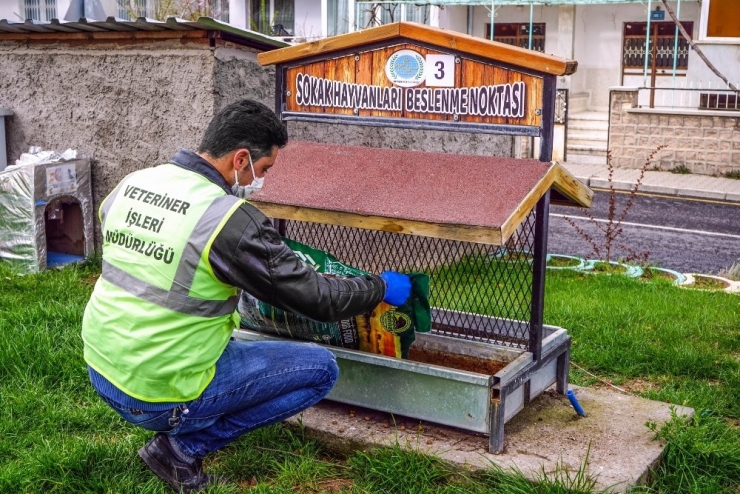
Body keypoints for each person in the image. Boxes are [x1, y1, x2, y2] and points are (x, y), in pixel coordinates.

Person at [81, 99, 411, 493]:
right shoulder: (226, 219)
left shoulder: (133, 183)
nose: (262, 179)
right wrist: (380, 288)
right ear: (241, 159)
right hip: (159, 392)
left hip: (102, 368)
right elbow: (317, 298)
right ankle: (182, 447)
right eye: (265, 169)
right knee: (321, 369)